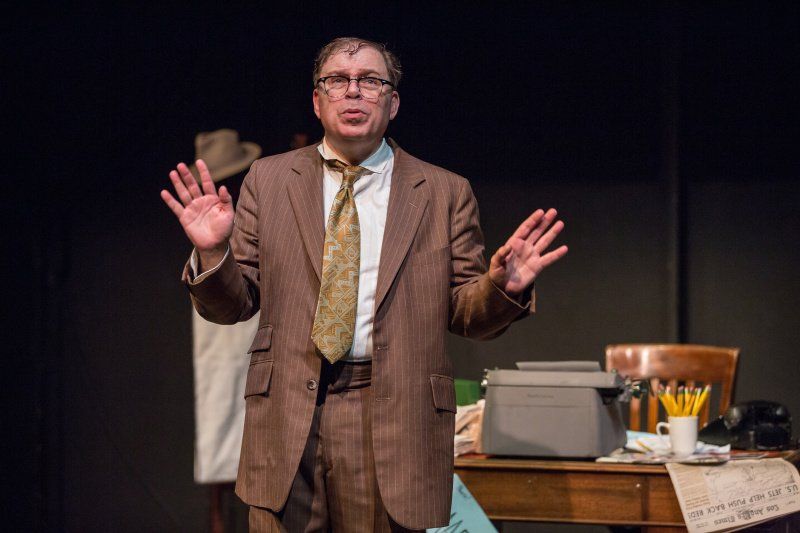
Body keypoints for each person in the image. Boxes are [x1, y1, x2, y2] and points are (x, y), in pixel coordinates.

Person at [161, 37, 568, 532]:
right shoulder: (268, 180)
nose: (353, 92)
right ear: (317, 100)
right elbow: (234, 305)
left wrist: (503, 287)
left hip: (391, 414)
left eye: (370, 81)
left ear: (392, 102)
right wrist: (212, 252)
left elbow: (466, 313)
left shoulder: (443, 191)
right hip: (289, 411)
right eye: (337, 81)